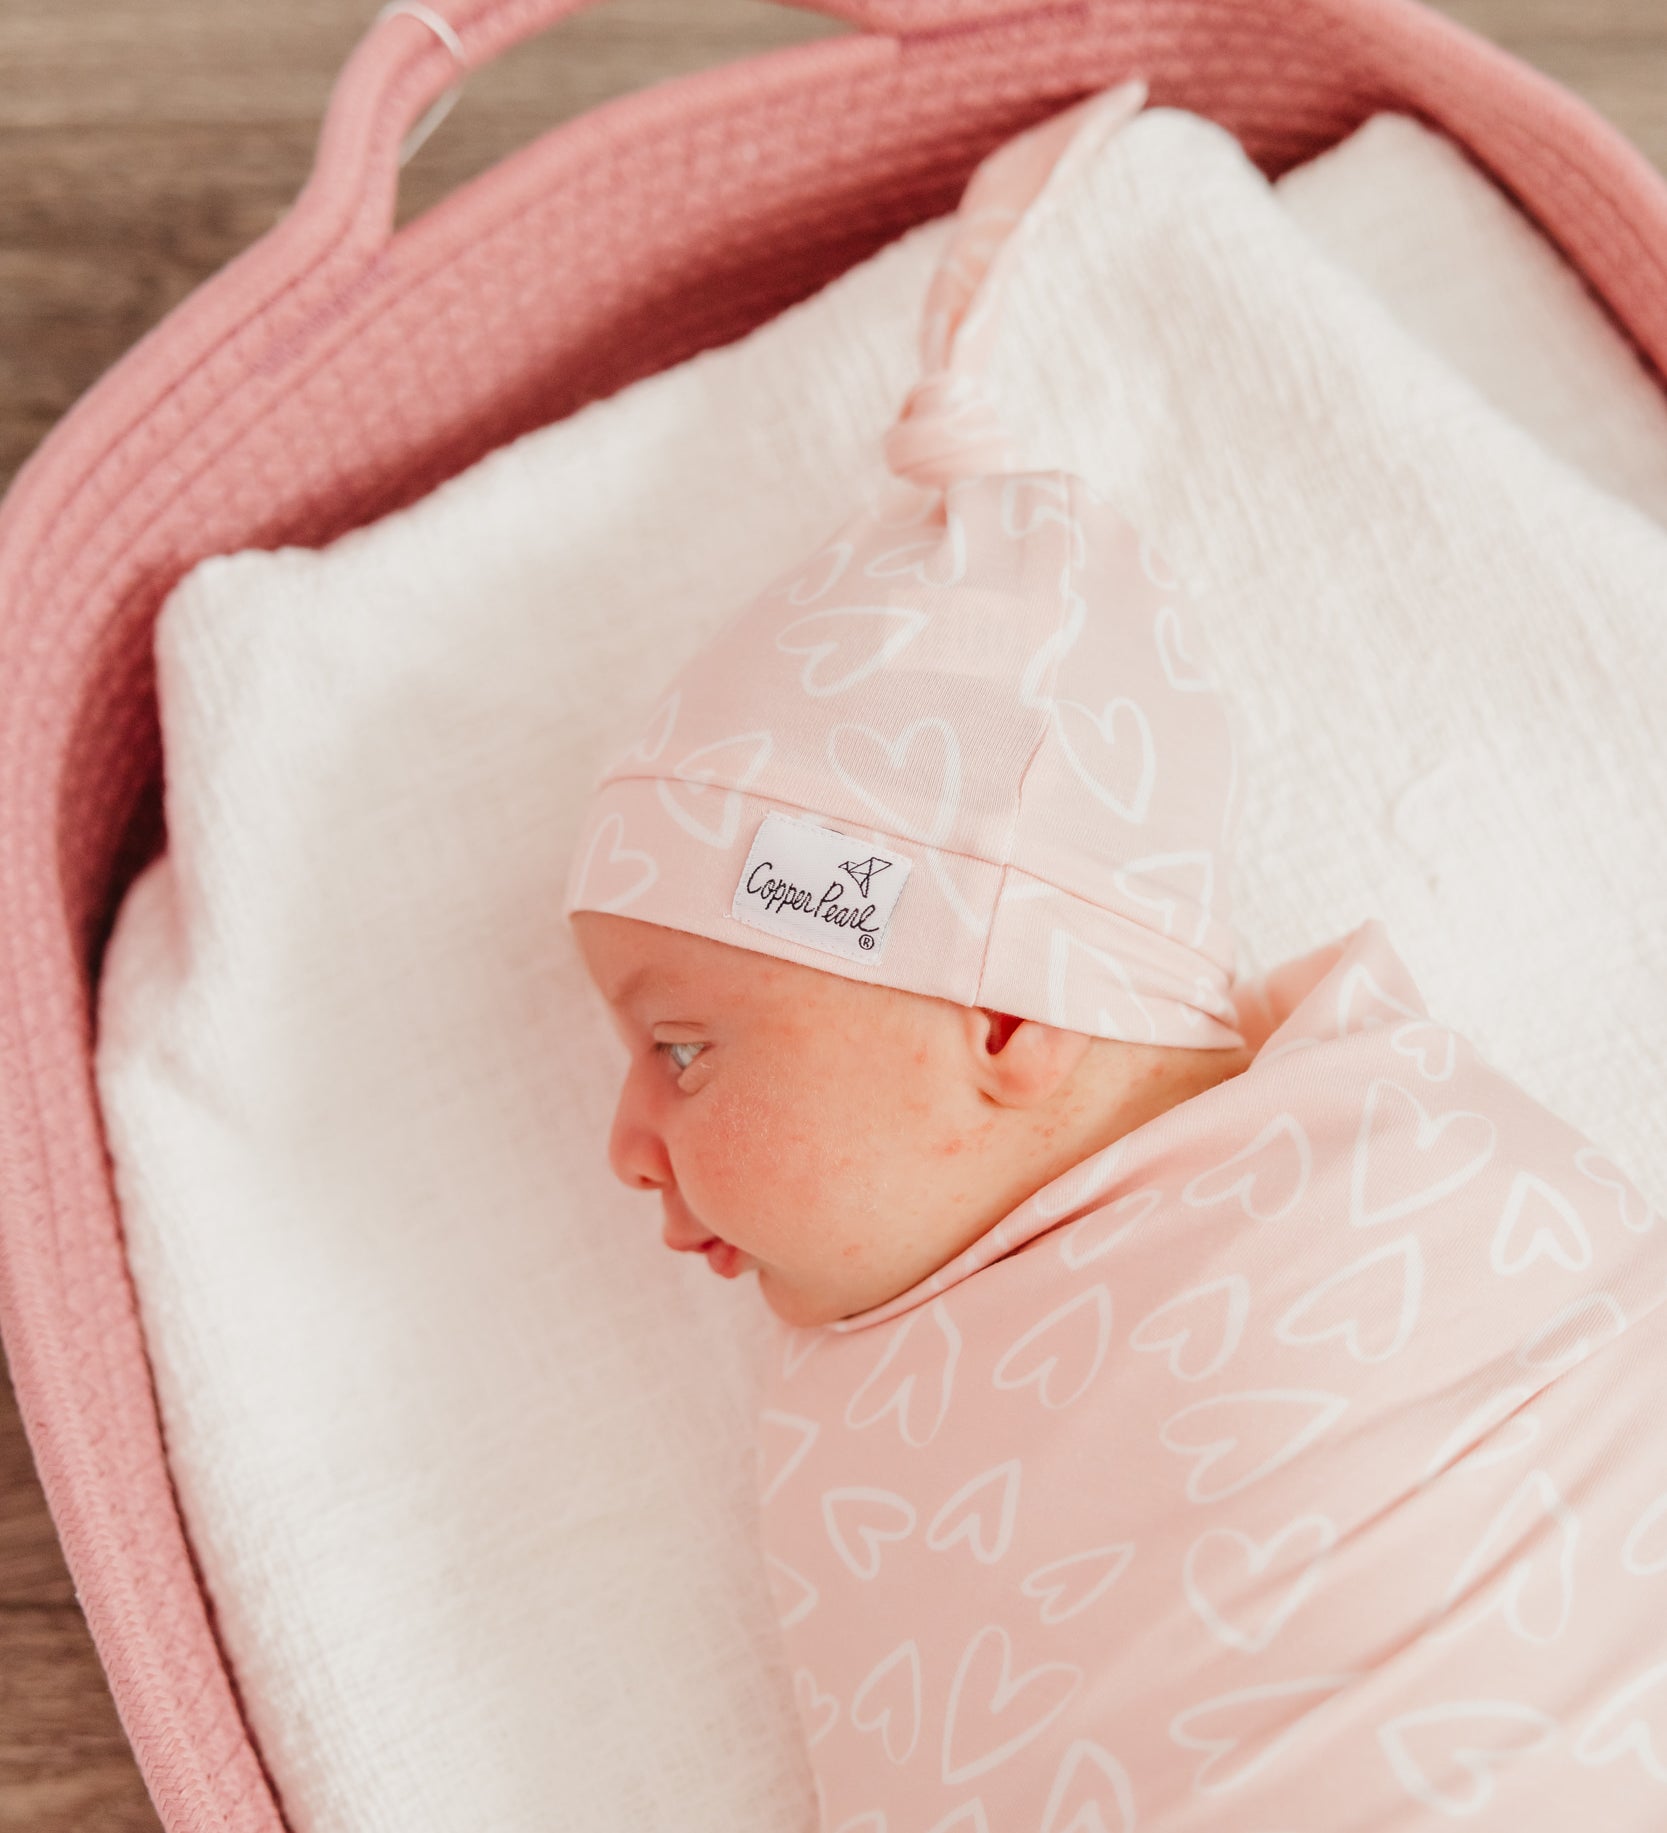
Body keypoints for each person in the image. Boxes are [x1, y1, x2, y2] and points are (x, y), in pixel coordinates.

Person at [562, 77, 1667, 1831]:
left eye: (681, 1045)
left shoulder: (1391, 1183)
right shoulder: (871, 1428)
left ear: (1006, 1011)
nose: (625, 1140)